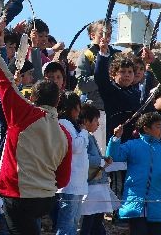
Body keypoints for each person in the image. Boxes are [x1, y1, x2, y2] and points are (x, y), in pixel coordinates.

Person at [0, 20, 72, 235]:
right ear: (57, 102)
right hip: (46, 199)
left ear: (33, 98)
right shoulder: (65, 133)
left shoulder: (23, 113)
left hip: (17, 196)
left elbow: (2, 80)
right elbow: (63, 179)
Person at [107, 113, 161, 235]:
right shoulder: (132, 145)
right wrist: (116, 138)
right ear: (146, 128)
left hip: (157, 202)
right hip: (135, 202)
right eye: (158, 126)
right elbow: (114, 156)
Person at [75, 20, 120, 150]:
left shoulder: (116, 55)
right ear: (92, 35)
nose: (106, 37)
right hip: (94, 111)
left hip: (113, 110)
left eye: (109, 33)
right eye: (102, 34)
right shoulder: (87, 55)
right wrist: (103, 77)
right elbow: (82, 84)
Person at [52, 92, 88, 235]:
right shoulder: (63, 123)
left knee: (73, 223)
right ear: (73, 108)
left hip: (77, 182)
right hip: (70, 184)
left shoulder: (72, 126)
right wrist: (84, 132)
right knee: (67, 225)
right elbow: (75, 147)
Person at [79, 104, 116, 235]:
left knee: (95, 221)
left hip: (97, 185)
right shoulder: (85, 137)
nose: (98, 124)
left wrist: (103, 158)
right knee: (90, 221)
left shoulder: (88, 136)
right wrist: (101, 161)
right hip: (92, 186)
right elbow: (84, 157)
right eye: (95, 120)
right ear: (86, 121)